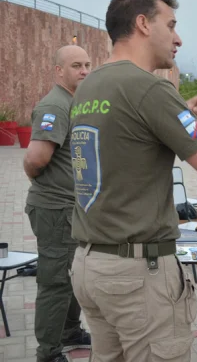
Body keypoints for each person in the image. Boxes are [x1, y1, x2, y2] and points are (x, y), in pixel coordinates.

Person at [69, 0, 197, 362]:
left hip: (91, 264)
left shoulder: (90, 86)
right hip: (137, 275)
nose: (178, 38)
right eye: (171, 25)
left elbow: (130, 137)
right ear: (143, 24)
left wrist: (182, 112)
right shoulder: (150, 88)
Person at [23, 45, 92, 362]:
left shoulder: (74, 102)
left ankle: (69, 332)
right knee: (55, 281)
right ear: (59, 70)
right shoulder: (55, 105)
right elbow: (36, 159)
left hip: (72, 208)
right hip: (54, 209)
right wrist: (36, 177)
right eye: (76, 65)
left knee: (73, 275)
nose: (84, 71)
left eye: (87, 65)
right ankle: (48, 352)